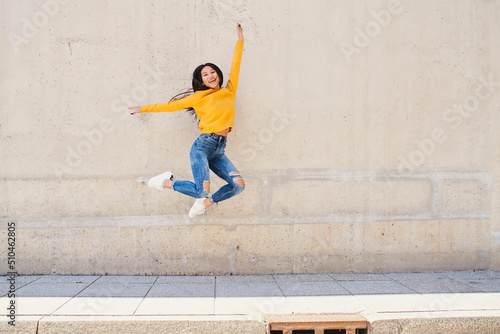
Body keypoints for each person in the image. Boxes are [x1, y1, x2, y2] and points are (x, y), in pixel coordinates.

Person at [130, 23, 245, 219]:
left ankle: (205, 204)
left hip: (219, 149)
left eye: (212, 72)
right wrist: (143, 109)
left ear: (218, 74)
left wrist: (240, 41)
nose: (210, 75)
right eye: (205, 74)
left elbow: (236, 66)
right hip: (203, 146)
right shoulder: (198, 97)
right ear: (201, 80)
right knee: (201, 189)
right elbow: (169, 106)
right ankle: (164, 182)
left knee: (238, 185)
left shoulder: (229, 90)